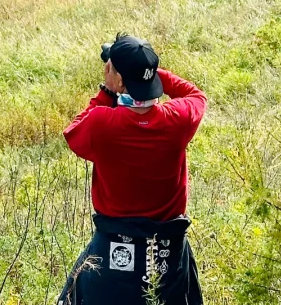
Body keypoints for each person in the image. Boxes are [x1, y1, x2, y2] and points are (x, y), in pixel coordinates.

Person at [61, 34, 207, 305]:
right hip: (169, 252)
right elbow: (195, 95)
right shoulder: (178, 120)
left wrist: (107, 91)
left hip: (114, 247)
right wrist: (147, 72)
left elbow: (73, 132)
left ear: (118, 80)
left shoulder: (102, 124)